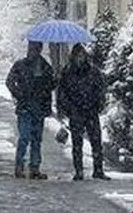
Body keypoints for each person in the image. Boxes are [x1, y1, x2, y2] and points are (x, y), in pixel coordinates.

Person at [59, 44, 109, 181]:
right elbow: (62, 92)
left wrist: (99, 104)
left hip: (91, 110)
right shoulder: (68, 72)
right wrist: (66, 108)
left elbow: (101, 88)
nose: (80, 58)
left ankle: (98, 170)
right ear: (73, 57)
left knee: (96, 142)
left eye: (82, 55)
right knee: (77, 143)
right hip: (76, 111)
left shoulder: (93, 71)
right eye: (77, 56)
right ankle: (79, 170)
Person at [6, 41, 55, 180]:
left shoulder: (45, 67)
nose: (33, 51)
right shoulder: (20, 65)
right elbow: (9, 81)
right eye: (32, 49)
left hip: (38, 107)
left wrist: (50, 84)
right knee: (25, 137)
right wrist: (19, 94)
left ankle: (34, 167)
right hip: (25, 107)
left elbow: (50, 86)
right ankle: (20, 165)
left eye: (36, 49)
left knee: (36, 139)